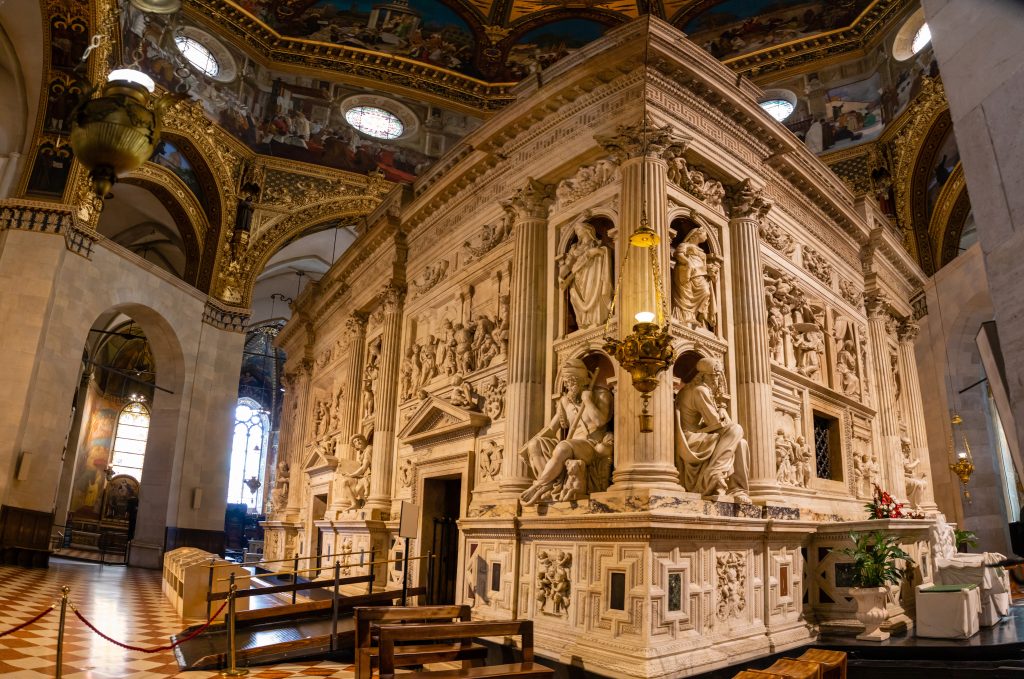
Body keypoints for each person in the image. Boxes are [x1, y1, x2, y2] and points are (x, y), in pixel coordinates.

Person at [519, 359, 613, 505]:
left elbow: (600, 421)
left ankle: (538, 485)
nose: (569, 386)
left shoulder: (601, 395)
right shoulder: (565, 402)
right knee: (535, 445)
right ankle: (549, 484)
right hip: (570, 445)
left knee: (563, 447)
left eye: (573, 381)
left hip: (591, 446)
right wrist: (529, 444)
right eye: (567, 382)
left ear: (584, 380)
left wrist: (588, 401)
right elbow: (551, 429)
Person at [674, 358, 751, 502]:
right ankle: (714, 473)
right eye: (714, 376)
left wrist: (721, 410)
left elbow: (711, 424)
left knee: (742, 444)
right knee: (736, 429)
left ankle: (738, 490)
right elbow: (715, 423)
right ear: (703, 376)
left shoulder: (695, 389)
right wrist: (722, 409)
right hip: (690, 439)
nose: (717, 381)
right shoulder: (699, 390)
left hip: (698, 436)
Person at [558, 217, 611, 329]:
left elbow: (603, 252)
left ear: (587, 230)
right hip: (577, 276)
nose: (577, 232)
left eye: (579, 229)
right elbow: (568, 265)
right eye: (576, 230)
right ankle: (584, 322)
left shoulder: (596, 243)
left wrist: (598, 251)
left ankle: (595, 319)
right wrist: (561, 276)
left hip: (593, 271)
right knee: (575, 296)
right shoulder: (574, 248)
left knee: (592, 292)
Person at [672, 223, 718, 332]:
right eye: (704, 235)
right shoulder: (685, 245)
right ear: (697, 234)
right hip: (687, 272)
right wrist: (688, 262)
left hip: (700, 274)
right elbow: (678, 254)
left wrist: (711, 270)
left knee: (706, 292)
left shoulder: (702, 251)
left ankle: (697, 316)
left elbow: (703, 264)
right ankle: (687, 317)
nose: (706, 237)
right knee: (686, 295)